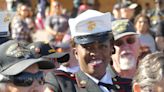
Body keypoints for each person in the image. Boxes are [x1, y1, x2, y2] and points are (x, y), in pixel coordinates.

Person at [44, 9, 134, 92]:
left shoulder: (129, 87)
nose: (95, 53)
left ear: (111, 48)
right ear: (75, 52)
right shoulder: (62, 85)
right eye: (88, 47)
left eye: (102, 46)